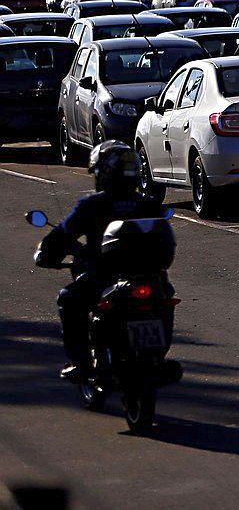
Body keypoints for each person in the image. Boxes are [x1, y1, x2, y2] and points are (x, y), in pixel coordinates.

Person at [34, 141, 162, 382]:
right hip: (150, 277)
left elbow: (63, 233)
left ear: (105, 173)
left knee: (68, 298)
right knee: (164, 299)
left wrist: (46, 253)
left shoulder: (92, 205)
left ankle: (80, 362)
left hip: (103, 278)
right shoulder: (149, 203)